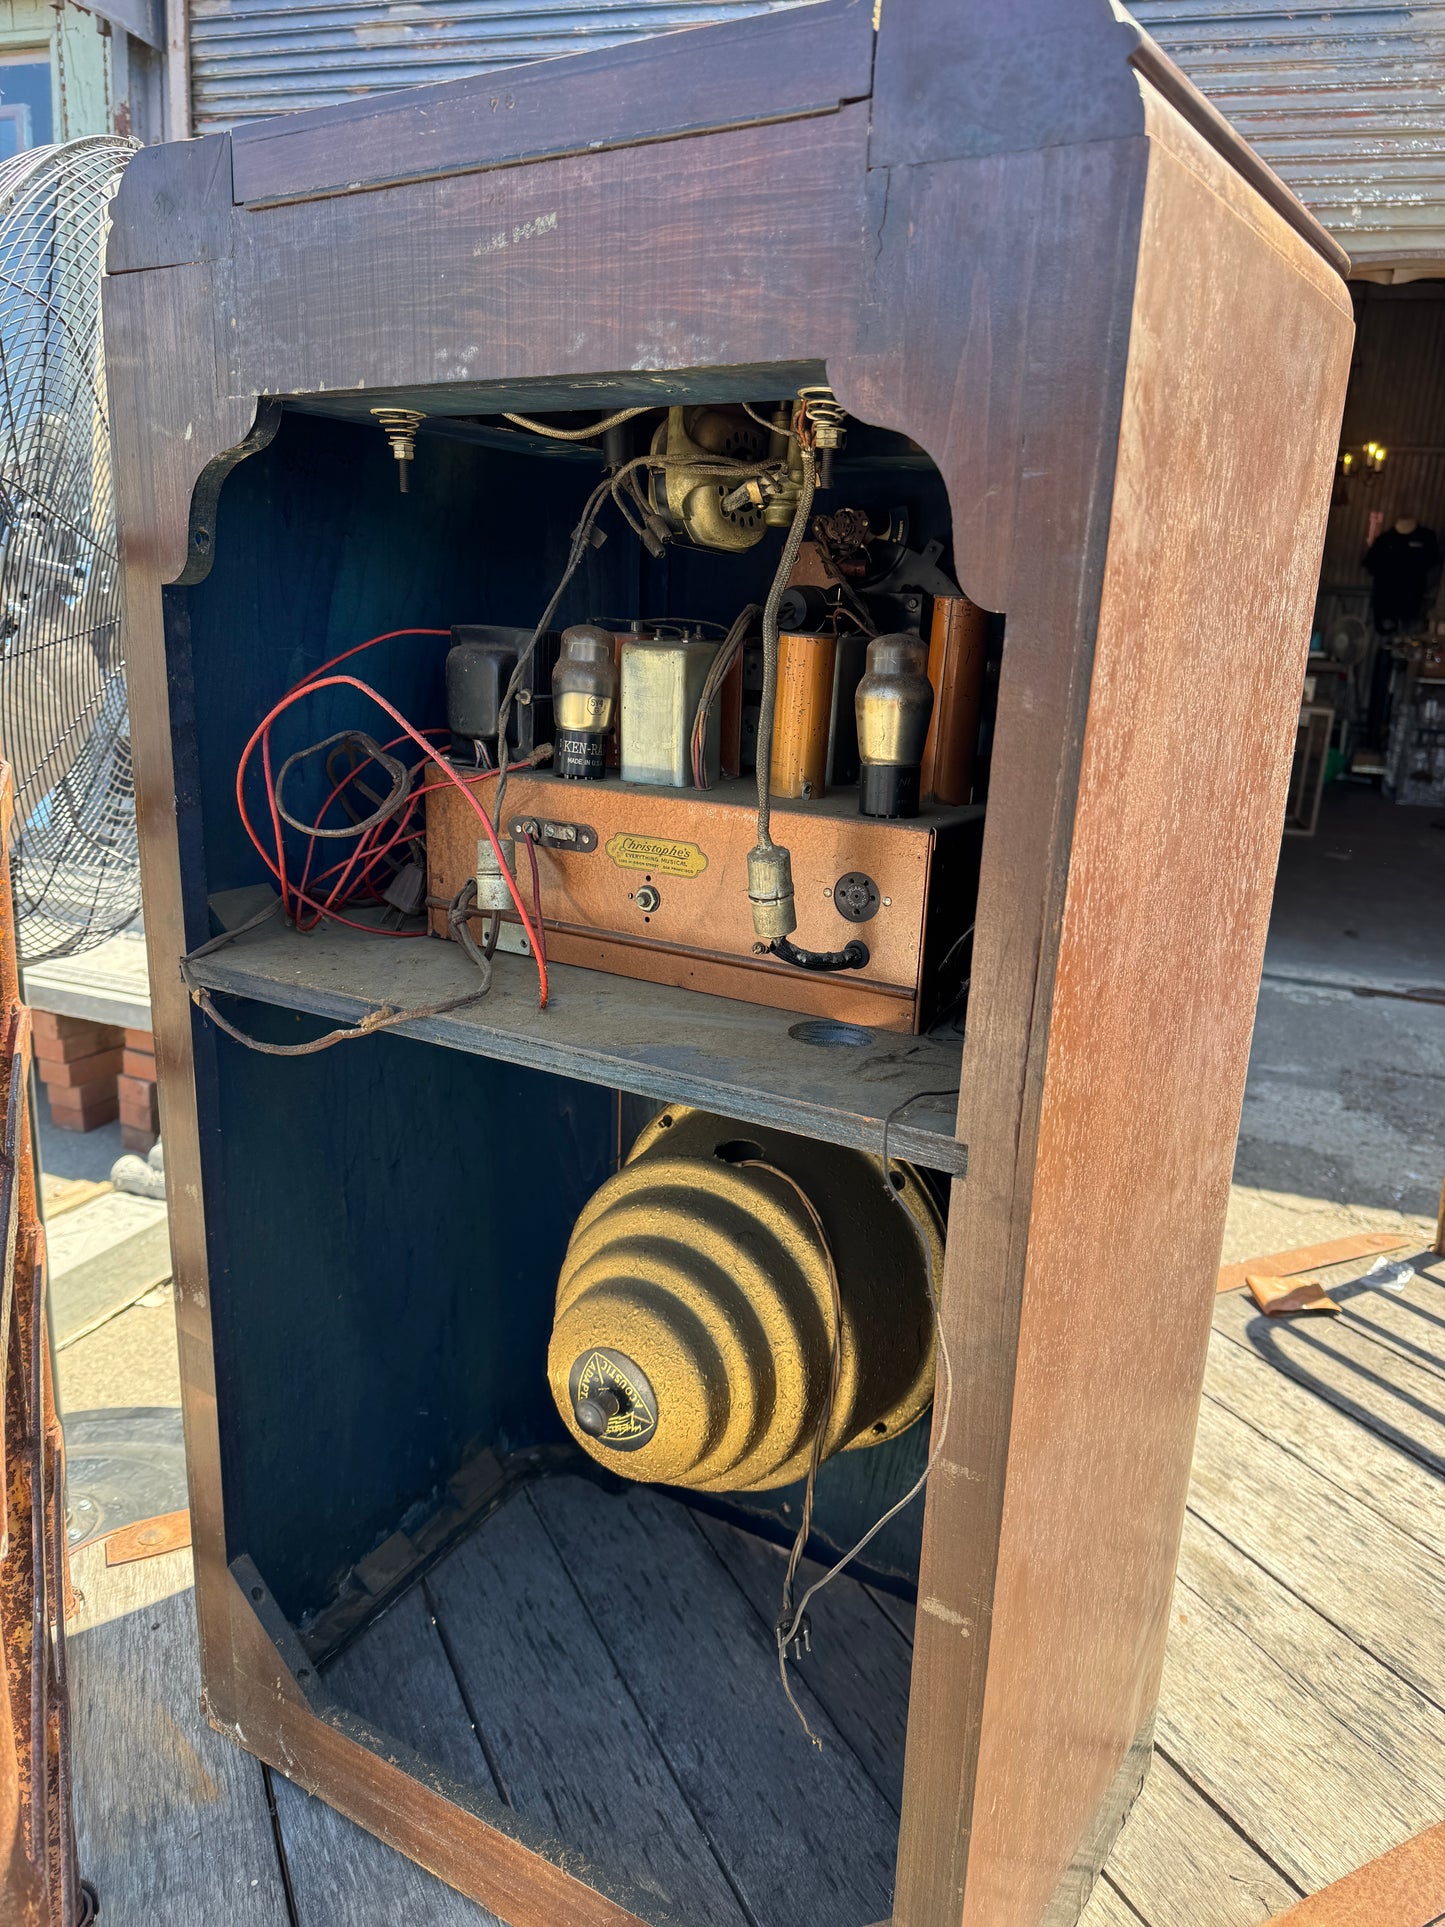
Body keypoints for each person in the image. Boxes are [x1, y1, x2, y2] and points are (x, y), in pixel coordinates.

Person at [1364, 514, 1441, 633]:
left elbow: (1434, 563)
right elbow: (1370, 564)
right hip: (1386, 602)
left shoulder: (1426, 538)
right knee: (1387, 637)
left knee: (1410, 639)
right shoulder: (1385, 539)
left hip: (1412, 601)